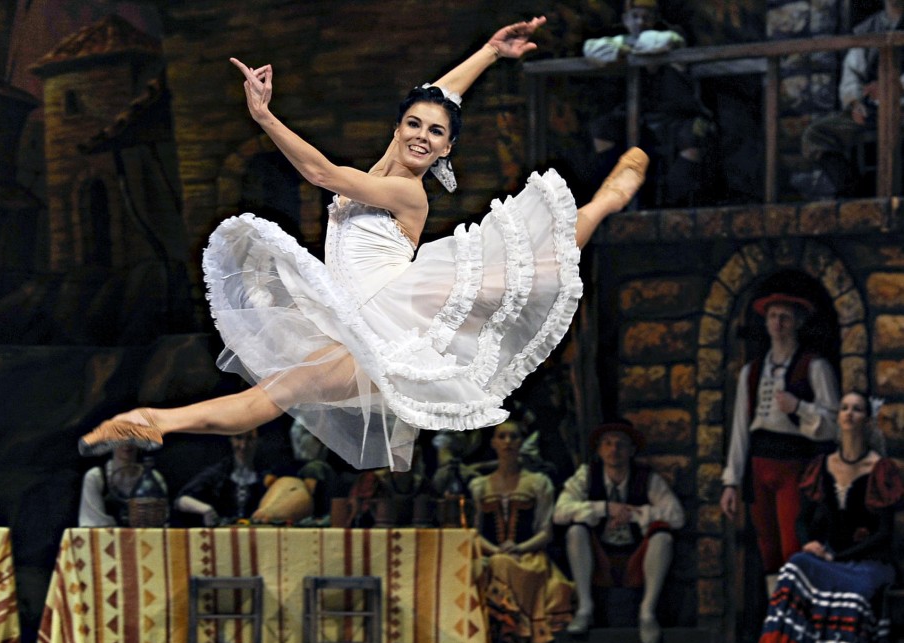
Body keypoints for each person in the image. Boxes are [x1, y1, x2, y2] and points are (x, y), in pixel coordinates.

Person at [78, 17, 648, 475]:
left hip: (398, 311)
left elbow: (323, 174)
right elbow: (440, 94)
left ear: (446, 150)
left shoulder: (404, 191)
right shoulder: (390, 158)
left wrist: (263, 116)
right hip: (356, 319)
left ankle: (604, 202)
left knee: (534, 263)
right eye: (415, 125)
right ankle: (153, 420)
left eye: (437, 134)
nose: (423, 136)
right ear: (398, 127)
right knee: (272, 396)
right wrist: (491, 53)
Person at [729, 391, 904, 643]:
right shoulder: (822, 466)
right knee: (795, 566)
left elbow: (884, 534)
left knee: (857, 594)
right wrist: (811, 543)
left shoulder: (879, 469)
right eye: (844, 408)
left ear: (867, 420)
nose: (849, 413)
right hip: (829, 556)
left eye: (857, 409)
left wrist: (839, 556)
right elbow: (802, 520)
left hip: (867, 561)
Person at [720, 292, 839, 595]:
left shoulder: (815, 367)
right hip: (760, 465)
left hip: (794, 465)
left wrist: (798, 407)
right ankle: (778, 616)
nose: (778, 323)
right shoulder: (752, 372)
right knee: (768, 548)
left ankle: (799, 614)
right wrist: (731, 482)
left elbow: (834, 423)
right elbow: (740, 431)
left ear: (797, 322)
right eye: (773, 316)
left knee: (793, 545)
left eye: (785, 317)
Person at [553, 419, 684, 643]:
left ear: (631, 450)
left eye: (621, 444)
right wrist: (603, 508)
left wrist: (635, 513)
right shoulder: (587, 475)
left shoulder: (646, 478)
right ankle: (585, 608)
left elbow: (677, 516)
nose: (614, 450)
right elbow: (559, 512)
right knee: (575, 531)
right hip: (599, 556)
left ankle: (647, 613)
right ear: (599, 449)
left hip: (636, 556)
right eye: (608, 443)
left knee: (663, 537)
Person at [582, 0, 714, 207]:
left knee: (692, 139)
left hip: (678, 117)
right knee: (603, 129)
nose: (640, 22)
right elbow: (592, 49)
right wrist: (623, 48)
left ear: (654, 20)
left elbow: (657, 43)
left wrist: (629, 48)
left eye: (646, 17)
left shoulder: (670, 37)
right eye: (635, 17)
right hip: (641, 119)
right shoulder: (620, 42)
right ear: (626, 20)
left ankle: (672, 205)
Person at [470, 419, 571, 643]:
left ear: (521, 442)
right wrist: (496, 550)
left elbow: (546, 530)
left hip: (530, 556)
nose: (508, 442)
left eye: (513, 437)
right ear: (493, 443)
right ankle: (509, 642)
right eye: (502, 437)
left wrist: (519, 548)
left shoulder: (538, 482)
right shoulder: (480, 485)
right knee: (497, 563)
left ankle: (520, 640)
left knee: (507, 565)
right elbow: (473, 530)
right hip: (492, 554)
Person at [793, 0, 904, 199]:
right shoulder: (867, 28)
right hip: (873, 110)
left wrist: (895, 87)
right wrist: (856, 103)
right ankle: (852, 189)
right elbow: (852, 74)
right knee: (816, 134)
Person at [174, 431, 267, 526]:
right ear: (231, 439)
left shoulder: (266, 473)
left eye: (250, 439)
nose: (243, 445)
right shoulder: (218, 472)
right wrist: (206, 509)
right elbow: (181, 500)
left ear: (258, 440)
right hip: (222, 535)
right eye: (238, 438)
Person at [78, 443, 166, 527]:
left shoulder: (153, 479)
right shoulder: (96, 477)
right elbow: (93, 524)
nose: (127, 444)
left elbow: (161, 521)